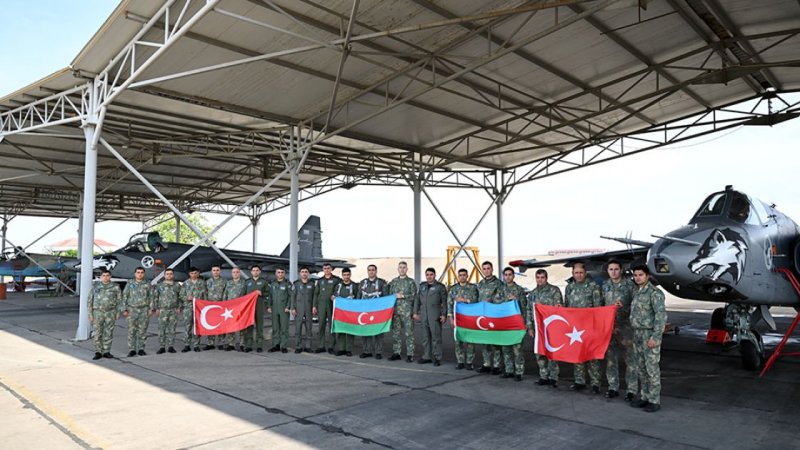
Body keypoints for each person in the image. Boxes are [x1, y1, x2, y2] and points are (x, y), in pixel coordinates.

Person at [629, 264, 667, 413]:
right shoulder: (637, 292)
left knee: (652, 369)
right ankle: (645, 396)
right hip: (637, 334)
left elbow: (660, 317)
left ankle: (654, 400)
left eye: (641, 275)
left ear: (647, 276)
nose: (638, 278)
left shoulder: (654, 293)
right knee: (641, 368)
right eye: (635, 275)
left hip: (649, 334)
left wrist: (655, 337)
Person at [565, 262, 602, 393]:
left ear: (585, 273)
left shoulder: (593, 286)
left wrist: (596, 326)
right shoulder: (569, 287)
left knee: (592, 356)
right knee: (577, 354)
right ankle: (579, 381)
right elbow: (566, 307)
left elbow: (598, 308)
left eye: (581, 272)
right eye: (576, 273)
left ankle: (595, 383)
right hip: (575, 327)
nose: (579, 275)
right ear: (572, 274)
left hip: (589, 326)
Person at [601, 260, 636, 400]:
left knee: (630, 359)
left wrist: (624, 308)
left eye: (616, 269)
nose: (614, 272)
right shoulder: (605, 285)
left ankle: (631, 390)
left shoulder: (630, 285)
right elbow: (601, 305)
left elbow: (636, 305)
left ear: (621, 270)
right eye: (611, 269)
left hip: (626, 327)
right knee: (611, 358)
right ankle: (613, 387)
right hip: (610, 327)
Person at [527, 269, 563, 387]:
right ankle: (543, 376)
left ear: (546, 278)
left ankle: (553, 377)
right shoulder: (532, 294)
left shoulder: (554, 290)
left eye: (542, 277)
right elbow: (529, 311)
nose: (540, 280)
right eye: (538, 277)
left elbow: (559, 308)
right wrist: (530, 327)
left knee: (552, 352)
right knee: (540, 352)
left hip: (551, 327)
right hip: (538, 328)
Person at [413, 267, 447, 366]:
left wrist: (444, 314)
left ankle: (437, 357)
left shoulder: (440, 287)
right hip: (424, 315)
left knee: (436, 337)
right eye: (427, 275)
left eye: (431, 275)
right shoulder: (422, 286)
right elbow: (417, 300)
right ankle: (426, 356)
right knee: (425, 337)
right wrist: (415, 312)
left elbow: (444, 302)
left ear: (435, 275)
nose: (429, 276)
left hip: (435, 315)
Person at [448, 268, 479, 370]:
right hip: (458, 319)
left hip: (470, 318)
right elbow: (450, 304)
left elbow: (476, 300)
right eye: (460, 275)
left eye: (464, 275)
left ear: (467, 276)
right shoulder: (453, 289)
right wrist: (451, 318)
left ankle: (469, 362)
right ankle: (460, 361)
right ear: (458, 276)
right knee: (458, 340)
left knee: (470, 341)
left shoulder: (473, 288)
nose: (462, 277)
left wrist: (465, 300)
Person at [499, 267, 526, 381]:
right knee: (506, 348)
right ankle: (509, 370)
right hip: (504, 323)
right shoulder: (500, 290)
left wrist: (517, 300)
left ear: (513, 276)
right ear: (503, 276)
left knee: (517, 349)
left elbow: (524, 307)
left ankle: (519, 372)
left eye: (510, 274)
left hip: (516, 324)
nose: (508, 277)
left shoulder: (519, 290)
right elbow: (496, 305)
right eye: (506, 275)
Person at [88, 269, 121, 360]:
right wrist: (90, 314)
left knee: (108, 332)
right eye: (103, 275)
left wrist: (118, 312)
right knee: (97, 332)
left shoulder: (115, 287)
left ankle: (106, 351)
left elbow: (119, 301)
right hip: (98, 312)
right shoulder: (95, 286)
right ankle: (98, 351)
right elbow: (90, 301)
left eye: (107, 275)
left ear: (110, 277)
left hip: (110, 312)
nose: (105, 277)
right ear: (100, 277)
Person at [388, 261, 417, 362]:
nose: (402, 269)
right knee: (396, 333)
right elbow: (389, 296)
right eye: (400, 267)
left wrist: (403, 296)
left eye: (404, 267)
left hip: (407, 312)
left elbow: (414, 296)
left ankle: (410, 354)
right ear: (398, 269)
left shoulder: (411, 282)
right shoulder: (393, 282)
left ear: (407, 269)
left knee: (409, 333)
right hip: (396, 312)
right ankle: (396, 353)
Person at [477, 261, 503, 374]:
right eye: (484, 268)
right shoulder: (480, 284)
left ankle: (497, 365)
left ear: (492, 269)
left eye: (488, 268)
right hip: (483, 316)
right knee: (485, 342)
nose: (486, 271)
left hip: (494, 316)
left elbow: (502, 299)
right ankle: (486, 364)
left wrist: (492, 301)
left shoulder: (499, 284)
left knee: (495, 342)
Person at [359, 264, 388, 359]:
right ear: (367, 271)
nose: (371, 271)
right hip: (365, 312)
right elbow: (358, 297)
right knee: (365, 331)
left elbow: (386, 297)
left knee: (378, 331)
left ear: (376, 271)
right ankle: (367, 351)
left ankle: (378, 352)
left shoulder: (382, 283)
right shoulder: (362, 283)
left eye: (373, 270)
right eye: (369, 270)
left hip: (377, 312)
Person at [121, 267, 151, 357]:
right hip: (132, 310)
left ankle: (141, 348)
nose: (140, 274)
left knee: (142, 330)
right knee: (132, 330)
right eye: (138, 272)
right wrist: (124, 309)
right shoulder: (130, 283)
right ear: (135, 274)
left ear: (144, 274)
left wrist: (151, 309)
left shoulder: (147, 284)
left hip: (144, 310)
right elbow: (125, 296)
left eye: (142, 272)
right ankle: (132, 349)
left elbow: (151, 297)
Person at [312, 263, 340, 354]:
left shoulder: (336, 280)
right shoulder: (320, 281)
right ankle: (321, 346)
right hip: (321, 305)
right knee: (321, 326)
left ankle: (332, 346)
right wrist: (314, 306)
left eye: (328, 268)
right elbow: (316, 294)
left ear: (331, 269)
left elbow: (339, 291)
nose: (326, 270)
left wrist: (335, 295)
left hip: (332, 305)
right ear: (323, 270)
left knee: (332, 326)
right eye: (325, 268)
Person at [153, 268, 181, 354]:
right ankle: (162, 346)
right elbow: (155, 297)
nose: (169, 275)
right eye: (167, 274)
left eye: (171, 274)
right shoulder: (159, 285)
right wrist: (156, 308)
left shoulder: (177, 285)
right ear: (164, 275)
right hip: (162, 310)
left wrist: (179, 307)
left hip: (173, 310)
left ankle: (171, 346)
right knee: (161, 329)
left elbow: (180, 297)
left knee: (172, 329)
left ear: (173, 275)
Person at [180, 267, 207, 352]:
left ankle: (196, 345)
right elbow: (181, 295)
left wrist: (204, 306)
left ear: (198, 273)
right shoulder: (186, 283)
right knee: (187, 326)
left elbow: (205, 295)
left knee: (197, 326)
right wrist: (186, 298)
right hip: (188, 307)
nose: (194, 275)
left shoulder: (202, 283)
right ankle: (187, 344)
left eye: (195, 273)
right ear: (189, 274)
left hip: (198, 308)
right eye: (192, 273)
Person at [333, 268, 359, 356]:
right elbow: (335, 296)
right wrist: (333, 298)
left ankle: (349, 349)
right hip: (340, 312)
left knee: (350, 330)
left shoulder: (354, 286)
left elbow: (358, 298)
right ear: (342, 275)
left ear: (350, 275)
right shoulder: (338, 286)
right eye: (344, 275)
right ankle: (341, 348)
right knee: (341, 329)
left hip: (351, 311)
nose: (346, 277)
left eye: (348, 275)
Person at [244, 264, 269, 352]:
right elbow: (243, 295)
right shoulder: (247, 282)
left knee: (259, 326)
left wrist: (261, 293)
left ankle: (259, 345)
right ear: (251, 272)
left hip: (259, 306)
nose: (255, 272)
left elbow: (268, 293)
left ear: (260, 272)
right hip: (249, 308)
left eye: (257, 270)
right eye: (254, 270)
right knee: (249, 326)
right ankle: (248, 345)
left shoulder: (264, 282)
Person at [267, 267, 292, 353]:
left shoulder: (287, 284)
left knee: (284, 328)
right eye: (278, 272)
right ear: (276, 273)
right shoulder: (273, 284)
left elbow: (291, 296)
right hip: (274, 308)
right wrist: (269, 306)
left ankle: (283, 345)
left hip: (284, 308)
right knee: (275, 327)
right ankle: (276, 345)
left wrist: (288, 306)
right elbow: (270, 295)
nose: (280, 274)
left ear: (284, 274)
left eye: (282, 272)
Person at [291, 266, 315, 353]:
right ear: (300, 273)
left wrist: (314, 306)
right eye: (302, 272)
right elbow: (293, 296)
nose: (304, 273)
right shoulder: (296, 284)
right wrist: (292, 308)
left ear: (308, 273)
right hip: (299, 308)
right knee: (298, 328)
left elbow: (314, 296)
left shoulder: (312, 284)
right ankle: (298, 346)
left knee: (309, 328)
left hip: (309, 308)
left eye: (306, 272)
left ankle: (308, 346)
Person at [223, 267, 247, 351]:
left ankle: (242, 344)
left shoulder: (244, 283)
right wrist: (224, 305)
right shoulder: (229, 283)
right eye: (234, 272)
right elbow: (225, 294)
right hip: (230, 308)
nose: (235, 274)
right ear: (232, 273)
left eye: (237, 272)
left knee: (242, 326)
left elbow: (247, 295)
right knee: (231, 325)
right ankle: (231, 343)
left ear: (239, 273)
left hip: (241, 307)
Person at [204, 264, 227, 350]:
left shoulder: (224, 281)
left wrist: (224, 304)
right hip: (210, 307)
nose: (215, 272)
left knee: (221, 325)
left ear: (220, 271)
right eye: (214, 270)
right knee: (211, 324)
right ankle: (210, 343)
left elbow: (225, 293)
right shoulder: (208, 282)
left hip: (221, 306)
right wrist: (205, 304)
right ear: (211, 271)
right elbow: (205, 293)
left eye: (217, 270)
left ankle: (221, 343)